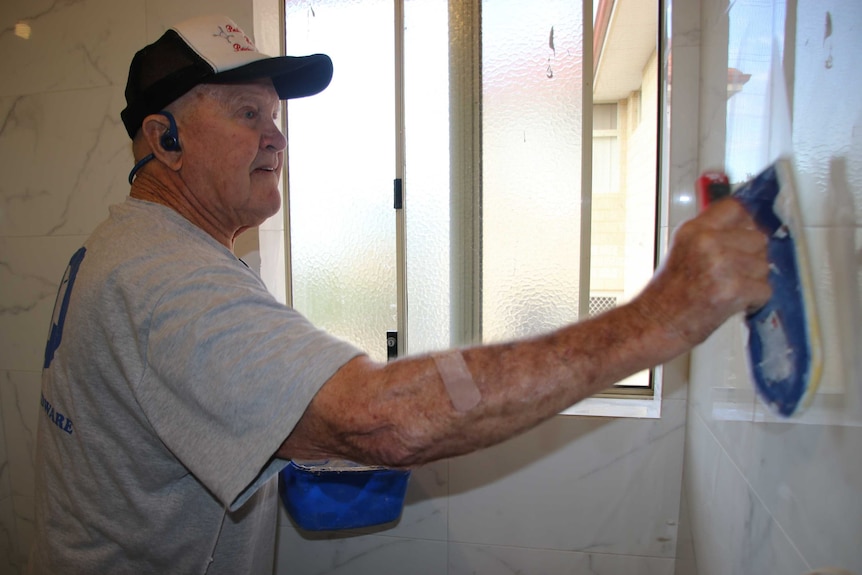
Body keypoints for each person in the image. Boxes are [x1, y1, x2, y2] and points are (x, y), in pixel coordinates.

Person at [27, 13, 770, 575]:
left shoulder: (132, 245)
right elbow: (383, 422)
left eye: (276, 118)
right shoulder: (166, 278)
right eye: (247, 114)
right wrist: (663, 313)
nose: (277, 138)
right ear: (165, 141)